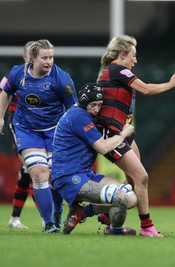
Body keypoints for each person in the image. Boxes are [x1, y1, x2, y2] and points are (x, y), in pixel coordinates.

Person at [76, 34, 175, 237]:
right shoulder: (118, 69)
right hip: (112, 132)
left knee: (136, 184)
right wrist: (171, 83)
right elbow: (145, 89)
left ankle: (97, 214)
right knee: (141, 177)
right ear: (122, 55)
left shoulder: (111, 72)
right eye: (133, 56)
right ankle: (147, 227)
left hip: (121, 132)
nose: (136, 60)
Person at [0, 39, 77, 233]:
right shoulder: (18, 72)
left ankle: (58, 214)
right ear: (33, 59)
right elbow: (5, 92)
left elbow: (73, 110)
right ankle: (48, 223)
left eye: (51, 57)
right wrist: (0, 117)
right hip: (26, 129)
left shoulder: (62, 79)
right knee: (38, 173)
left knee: (55, 176)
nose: (49, 61)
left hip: (55, 131)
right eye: (45, 57)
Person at [52, 84, 138, 235]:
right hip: (69, 177)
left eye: (99, 105)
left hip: (85, 173)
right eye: (93, 105)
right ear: (84, 102)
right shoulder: (79, 116)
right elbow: (103, 148)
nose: (97, 109)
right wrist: (123, 134)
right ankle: (115, 231)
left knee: (131, 197)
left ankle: (82, 212)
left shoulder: (81, 113)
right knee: (122, 198)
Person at [0, 41, 43, 229]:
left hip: (36, 127)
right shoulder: (16, 74)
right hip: (17, 125)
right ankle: (46, 217)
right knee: (34, 170)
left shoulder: (45, 77)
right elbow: (4, 93)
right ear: (26, 56)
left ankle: (14, 219)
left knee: (26, 173)